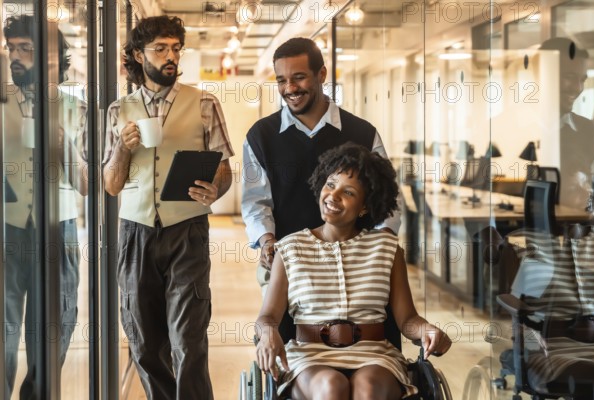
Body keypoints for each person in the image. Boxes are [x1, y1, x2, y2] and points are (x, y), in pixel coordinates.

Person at [101, 15, 234, 400]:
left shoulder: (205, 102)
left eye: (176, 48)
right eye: (160, 48)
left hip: (187, 231)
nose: (170, 56)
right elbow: (111, 186)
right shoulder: (117, 110)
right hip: (135, 234)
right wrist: (123, 148)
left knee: (188, 341)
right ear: (139, 56)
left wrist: (216, 189)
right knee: (143, 343)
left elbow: (224, 167)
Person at [255, 143, 451, 399]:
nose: (333, 196)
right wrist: (268, 334)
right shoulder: (290, 248)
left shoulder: (387, 248)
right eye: (330, 184)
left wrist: (428, 331)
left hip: (375, 355)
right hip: (309, 355)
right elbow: (267, 317)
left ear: (365, 207)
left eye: (347, 192)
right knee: (330, 386)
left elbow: (408, 320)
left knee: (367, 388)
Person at [241, 37, 401, 296]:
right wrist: (266, 241)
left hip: (355, 267)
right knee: (278, 333)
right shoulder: (261, 136)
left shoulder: (362, 132)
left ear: (322, 74)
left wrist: (381, 245)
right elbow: (255, 202)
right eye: (281, 80)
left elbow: (388, 199)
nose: (290, 88)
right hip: (289, 267)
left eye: (299, 77)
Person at [3, 14, 88, 399]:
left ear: (52, 58)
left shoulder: (75, 110)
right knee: (3, 333)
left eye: (25, 49)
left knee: (55, 329)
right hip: (7, 227)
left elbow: (87, 184)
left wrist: (63, 143)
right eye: (11, 48)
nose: (15, 56)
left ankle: (36, 394)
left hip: (60, 230)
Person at [539, 37, 594, 210]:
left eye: (582, 79)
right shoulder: (505, 127)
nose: (577, 88)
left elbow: (591, 194)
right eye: (569, 77)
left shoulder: (588, 131)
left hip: (572, 233)